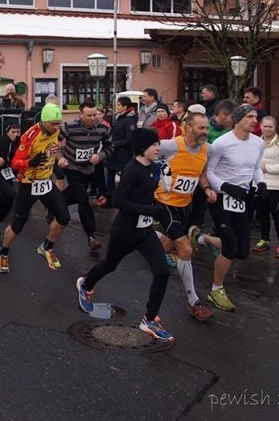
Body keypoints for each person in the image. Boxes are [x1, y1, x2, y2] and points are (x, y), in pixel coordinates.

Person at [76, 129, 174, 342]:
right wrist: (151, 210)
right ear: (141, 148)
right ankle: (85, 284)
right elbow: (119, 201)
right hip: (126, 230)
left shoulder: (154, 167)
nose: (158, 148)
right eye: (153, 145)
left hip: (145, 231)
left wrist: (161, 211)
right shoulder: (132, 170)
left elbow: (149, 197)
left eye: (158, 144)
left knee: (162, 271)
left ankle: (149, 319)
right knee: (110, 264)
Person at [194, 104, 266, 312]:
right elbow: (209, 171)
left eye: (256, 117)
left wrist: (260, 184)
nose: (255, 120)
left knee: (242, 251)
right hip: (221, 197)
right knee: (230, 247)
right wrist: (226, 187)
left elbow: (255, 168)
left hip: (241, 198)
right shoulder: (221, 143)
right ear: (237, 119)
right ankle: (216, 289)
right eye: (250, 116)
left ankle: (201, 238)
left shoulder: (258, 143)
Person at [153, 112, 216, 322]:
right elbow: (146, 153)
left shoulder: (207, 149)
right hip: (164, 203)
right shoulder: (171, 145)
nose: (205, 132)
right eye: (201, 128)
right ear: (188, 127)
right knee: (185, 248)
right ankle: (194, 302)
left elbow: (200, 173)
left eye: (207, 128)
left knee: (170, 247)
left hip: (185, 205)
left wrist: (206, 189)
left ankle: (144, 234)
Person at [0, 103, 67, 273]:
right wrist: (31, 162)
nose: (57, 127)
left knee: (64, 217)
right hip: (29, 183)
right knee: (18, 224)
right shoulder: (30, 136)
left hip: (46, 182)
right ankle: (3, 252)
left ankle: (47, 246)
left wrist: (60, 158)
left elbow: (55, 148)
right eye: (54, 124)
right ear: (44, 121)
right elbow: (14, 163)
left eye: (59, 123)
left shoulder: (56, 130)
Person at [58, 100, 113, 252]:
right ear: (81, 114)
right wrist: (60, 157)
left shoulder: (103, 128)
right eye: (89, 115)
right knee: (83, 198)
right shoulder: (68, 127)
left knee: (73, 195)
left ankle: (55, 204)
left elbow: (110, 147)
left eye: (95, 114)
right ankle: (91, 236)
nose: (93, 118)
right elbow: (53, 143)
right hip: (72, 166)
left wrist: (100, 156)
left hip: (89, 168)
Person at [254, 116, 279, 259]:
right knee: (262, 214)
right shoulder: (255, 142)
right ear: (261, 126)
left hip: (276, 185)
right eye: (265, 126)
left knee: (276, 214)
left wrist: (267, 168)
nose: (267, 129)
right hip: (259, 184)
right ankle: (265, 239)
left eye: (270, 126)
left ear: (275, 127)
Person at [104, 96, 137, 203]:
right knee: (109, 177)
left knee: (124, 178)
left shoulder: (130, 121)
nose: (116, 107)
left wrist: (113, 144)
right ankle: (110, 198)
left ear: (125, 107)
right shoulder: (119, 117)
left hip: (123, 155)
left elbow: (130, 139)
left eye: (118, 105)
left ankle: (121, 198)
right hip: (113, 154)